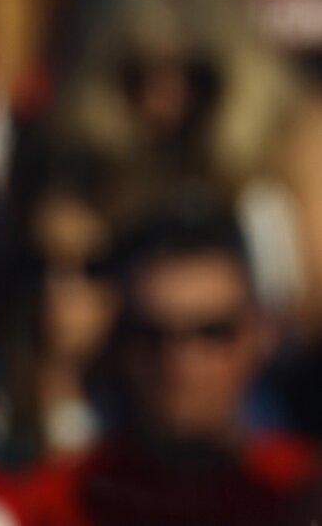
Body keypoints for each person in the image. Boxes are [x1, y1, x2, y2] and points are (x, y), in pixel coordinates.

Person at [39, 198, 322, 525]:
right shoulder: (58, 504)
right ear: (117, 342)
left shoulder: (302, 494)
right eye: (152, 334)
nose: (180, 362)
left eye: (213, 332)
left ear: (261, 335)